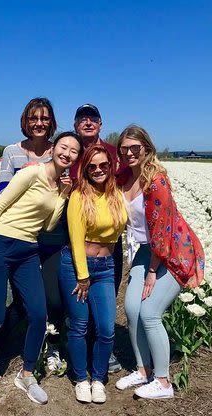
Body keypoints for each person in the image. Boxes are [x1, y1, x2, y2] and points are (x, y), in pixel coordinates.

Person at [0, 131, 83, 409]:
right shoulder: (32, 173)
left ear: (77, 157)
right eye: (63, 147)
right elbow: (0, 204)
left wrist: (63, 194)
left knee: (39, 314)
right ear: (54, 149)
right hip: (0, 246)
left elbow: (49, 225)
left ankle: (26, 375)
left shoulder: (58, 186)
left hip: (29, 250)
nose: (67, 153)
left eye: (73, 151)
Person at [0, 97, 68, 385]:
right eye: (33, 118)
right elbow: (3, 195)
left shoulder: (62, 151)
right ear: (25, 121)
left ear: (51, 122)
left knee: (50, 298)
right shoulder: (12, 153)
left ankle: (51, 346)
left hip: (51, 236)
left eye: (44, 118)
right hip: (18, 237)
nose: (39, 123)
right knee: (10, 301)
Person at [114, 125, 204, 399]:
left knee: (150, 312)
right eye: (124, 149)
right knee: (131, 309)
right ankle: (143, 371)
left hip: (174, 252)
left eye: (135, 148)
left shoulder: (157, 181)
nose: (129, 153)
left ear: (147, 149)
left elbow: (162, 233)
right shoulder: (124, 178)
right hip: (146, 250)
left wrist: (152, 271)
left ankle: (163, 383)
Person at [59, 144, 127, 404]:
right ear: (85, 170)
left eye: (103, 165)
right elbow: (76, 239)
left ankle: (98, 378)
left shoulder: (116, 194)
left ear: (111, 167)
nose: (98, 170)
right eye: (92, 167)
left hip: (107, 266)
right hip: (76, 267)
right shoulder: (79, 195)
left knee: (107, 328)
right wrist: (82, 275)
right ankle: (80, 379)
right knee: (79, 325)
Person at [70, 103, 125, 374]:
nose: (88, 122)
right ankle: (71, 348)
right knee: (75, 298)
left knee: (106, 296)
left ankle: (103, 347)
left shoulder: (114, 154)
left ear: (101, 124)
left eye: (93, 118)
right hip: (73, 234)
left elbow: (129, 182)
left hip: (108, 240)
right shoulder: (71, 151)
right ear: (76, 125)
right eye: (82, 118)